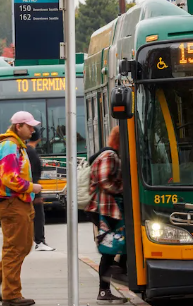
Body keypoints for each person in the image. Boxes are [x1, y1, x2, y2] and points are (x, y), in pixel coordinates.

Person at [0, 111, 43, 306]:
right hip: (11, 202)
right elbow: (9, 178)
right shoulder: (9, 147)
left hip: (18, 202)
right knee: (15, 248)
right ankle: (11, 294)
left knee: (23, 246)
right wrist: (33, 187)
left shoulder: (15, 146)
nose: (33, 129)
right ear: (18, 127)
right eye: (29, 126)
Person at [86, 126, 128, 305]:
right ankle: (105, 289)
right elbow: (104, 180)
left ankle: (114, 279)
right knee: (111, 248)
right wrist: (121, 189)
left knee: (114, 246)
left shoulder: (108, 154)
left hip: (105, 208)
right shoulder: (110, 156)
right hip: (106, 208)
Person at [25, 131, 55, 252]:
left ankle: (36, 240)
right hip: (33, 189)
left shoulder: (26, 150)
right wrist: (37, 194)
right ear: (39, 138)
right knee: (38, 216)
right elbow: (33, 174)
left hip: (30, 188)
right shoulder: (31, 152)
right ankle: (39, 241)